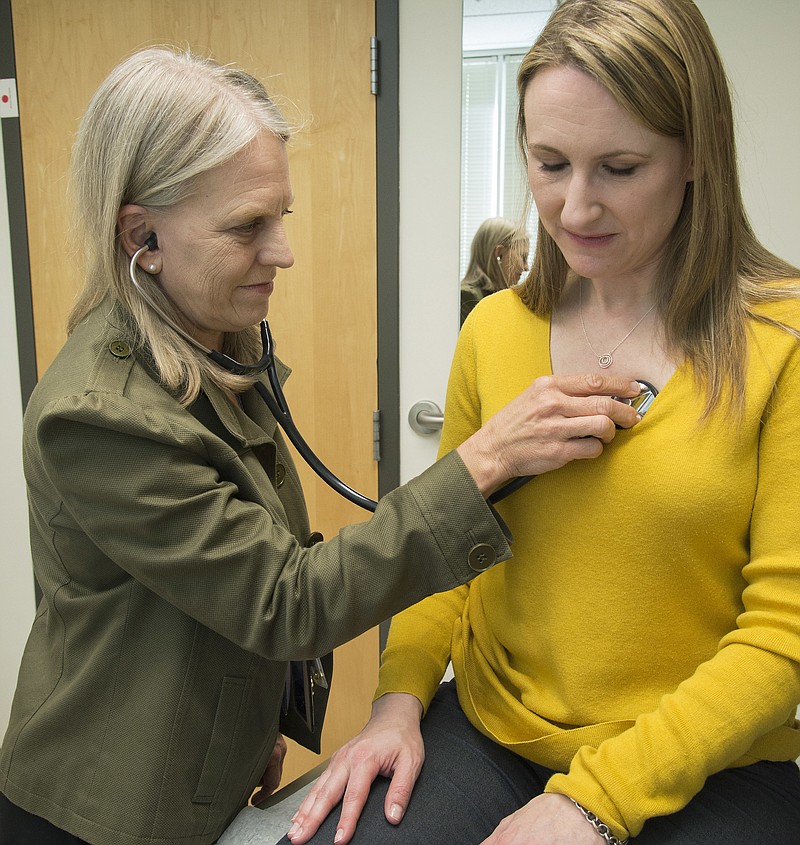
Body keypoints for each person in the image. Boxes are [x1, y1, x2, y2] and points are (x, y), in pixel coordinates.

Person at [0, 47, 643, 845]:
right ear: (143, 235)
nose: (283, 251)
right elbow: (284, 598)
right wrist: (486, 458)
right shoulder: (98, 418)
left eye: (281, 217)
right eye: (247, 227)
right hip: (105, 807)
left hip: (202, 763)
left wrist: (250, 722)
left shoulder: (211, 337)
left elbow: (226, 567)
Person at [286, 1, 800, 843]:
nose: (575, 208)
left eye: (620, 168)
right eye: (549, 162)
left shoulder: (781, 339)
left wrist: (592, 800)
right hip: (494, 730)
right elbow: (444, 555)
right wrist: (396, 701)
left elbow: (784, 638)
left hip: (711, 760)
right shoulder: (494, 328)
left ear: (699, 149)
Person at [460, 217, 530, 325]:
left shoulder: (506, 299)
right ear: (499, 254)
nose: (526, 267)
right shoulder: (467, 298)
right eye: (523, 257)